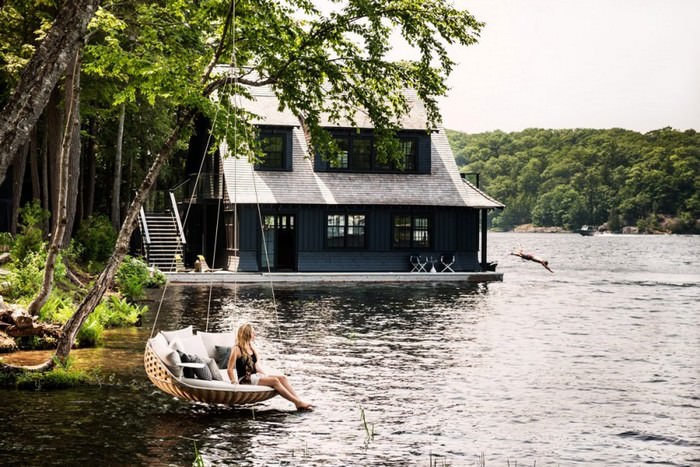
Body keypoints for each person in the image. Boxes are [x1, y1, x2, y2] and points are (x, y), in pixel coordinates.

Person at [227, 322, 313, 411]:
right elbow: (230, 369)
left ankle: (299, 401)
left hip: (255, 376)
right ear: (247, 334)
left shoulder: (251, 346)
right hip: (245, 379)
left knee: (283, 378)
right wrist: (234, 382)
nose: (255, 334)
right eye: (253, 332)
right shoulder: (237, 349)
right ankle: (297, 402)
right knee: (275, 381)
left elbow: (256, 366)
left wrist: (265, 375)